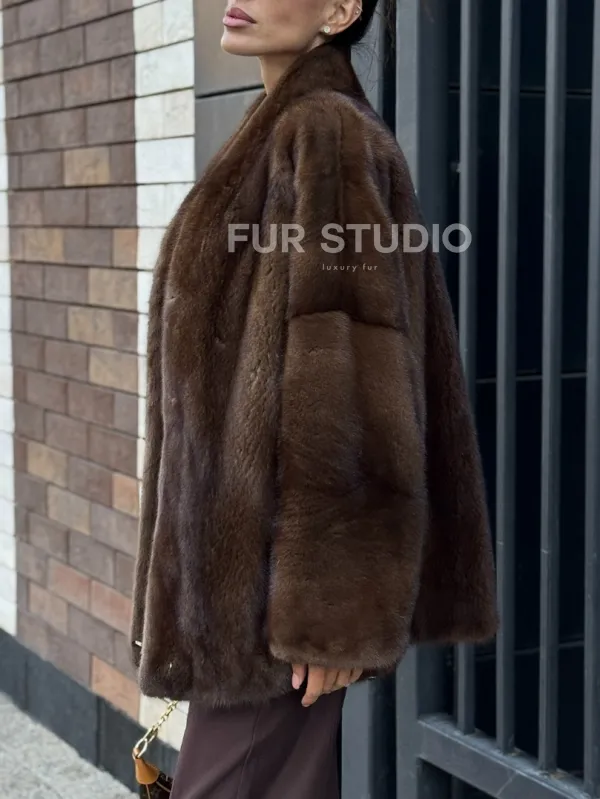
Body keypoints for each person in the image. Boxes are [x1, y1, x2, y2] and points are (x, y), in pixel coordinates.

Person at [130, 1, 499, 796]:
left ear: (339, 10)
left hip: (273, 608)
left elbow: (353, 388)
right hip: (241, 599)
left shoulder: (326, 134)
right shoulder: (276, 130)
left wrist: (332, 611)